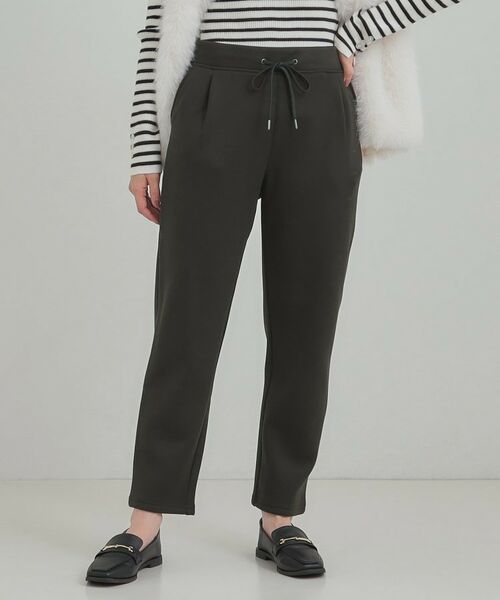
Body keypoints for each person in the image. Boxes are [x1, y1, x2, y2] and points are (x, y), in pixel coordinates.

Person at [86, 0, 462, 584]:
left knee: (306, 324)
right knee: (186, 322)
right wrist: (145, 152)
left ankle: (280, 516)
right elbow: (159, 26)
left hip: (319, 96)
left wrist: (354, 35)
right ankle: (144, 522)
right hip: (213, 96)